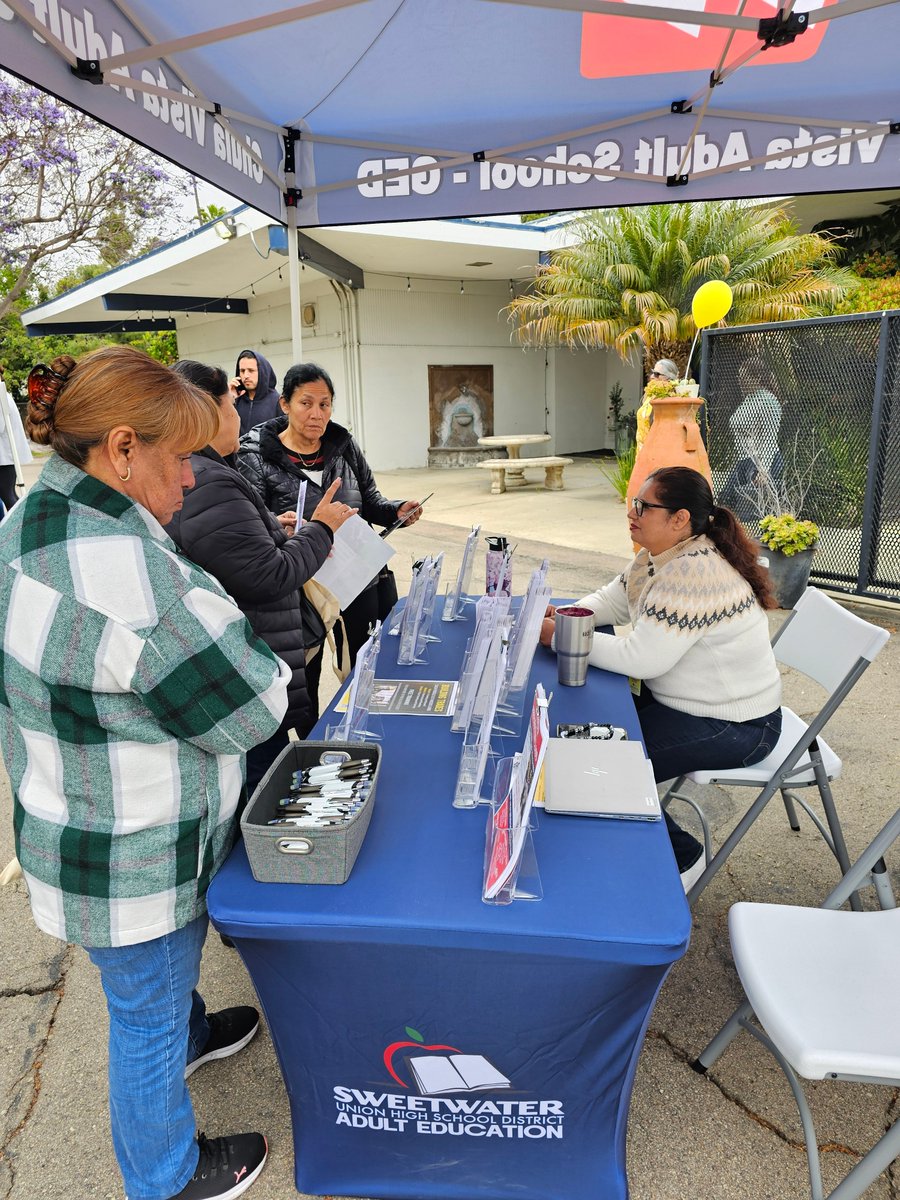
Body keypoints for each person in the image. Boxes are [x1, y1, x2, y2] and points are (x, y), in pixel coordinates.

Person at [0, 346, 291, 1200]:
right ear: (123, 448)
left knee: (155, 997)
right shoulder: (126, 572)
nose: (198, 482)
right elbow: (253, 708)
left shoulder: (26, 522)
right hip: (135, 854)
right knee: (144, 1019)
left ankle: (192, 1031)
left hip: (69, 821)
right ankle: (166, 1176)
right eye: (186, 458)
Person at [540, 465, 782, 892]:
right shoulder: (659, 556)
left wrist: (561, 635)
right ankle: (611, 835)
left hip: (736, 726)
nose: (631, 513)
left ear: (679, 518)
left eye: (643, 507)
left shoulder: (694, 572)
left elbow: (642, 659)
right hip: (688, 704)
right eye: (634, 503)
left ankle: (683, 858)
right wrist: (568, 617)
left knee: (604, 766)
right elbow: (612, 600)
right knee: (580, 738)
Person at [165, 360, 356, 792]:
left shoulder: (209, 470)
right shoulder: (209, 477)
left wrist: (271, 526)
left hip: (254, 655)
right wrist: (321, 527)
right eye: (232, 405)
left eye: (325, 403)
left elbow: (232, 548)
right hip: (252, 665)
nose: (240, 415)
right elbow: (269, 575)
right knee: (261, 785)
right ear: (209, 414)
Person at [237, 362, 422, 718]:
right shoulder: (255, 457)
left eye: (325, 404)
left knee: (366, 665)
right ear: (285, 404)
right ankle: (314, 747)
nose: (317, 414)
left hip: (356, 578)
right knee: (305, 679)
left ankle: (363, 731)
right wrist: (281, 527)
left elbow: (370, 500)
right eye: (306, 403)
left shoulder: (343, 446)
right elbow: (252, 525)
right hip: (301, 587)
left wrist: (397, 510)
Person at [719, 357, 782, 521]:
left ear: (756, 378)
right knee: (727, 503)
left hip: (761, 461)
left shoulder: (768, 400)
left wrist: (764, 470)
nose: (740, 381)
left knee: (753, 514)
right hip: (745, 461)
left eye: (744, 377)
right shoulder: (749, 400)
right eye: (739, 377)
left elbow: (770, 435)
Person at [0, 363, 34, 510]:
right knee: (7, 495)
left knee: (8, 495)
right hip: (4, 456)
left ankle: (21, 525)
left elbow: (0, 426)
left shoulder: (1, 395)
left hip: (4, 458)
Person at [231, 349, 281, 436]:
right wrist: (229, 398)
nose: (246, 376)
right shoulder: (236, 401)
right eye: (242, 371)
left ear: (262, 372)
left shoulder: (278, 401)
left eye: (251, 370)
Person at [635, 359, 680, 452]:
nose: (652, 376)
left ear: (668, 378)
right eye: (652, 372)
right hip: (642, 451)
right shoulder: (650, 395)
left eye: (657, 374)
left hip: (656, 452)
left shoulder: (669, 398)